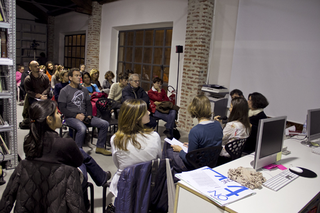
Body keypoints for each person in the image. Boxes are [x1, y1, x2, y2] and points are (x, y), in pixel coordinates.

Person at [9, 100, 110, 211]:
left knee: (80, 152)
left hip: (37, 183)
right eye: (57, 113)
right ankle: (98, 183)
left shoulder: (29, 142)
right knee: (82, 160)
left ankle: (100, 179)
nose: (60, 115)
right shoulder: (66, 143)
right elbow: (77, 163)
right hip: (62, 184)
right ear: (49, 119)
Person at [110, 99, 161, 197]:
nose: (149, 112)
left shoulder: (116, 139)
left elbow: (118, 164)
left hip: (124, 187)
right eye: (145, 111)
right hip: (148, 186)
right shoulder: (155, 136)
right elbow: (158, 160)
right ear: (137, 118)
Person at [58, 68, 111, 155]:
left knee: (104, 124)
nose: (79, 78)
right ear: (70, 78)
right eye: (76, 76)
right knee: (82, 128)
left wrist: (89, 115)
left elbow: (88, 104)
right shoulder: (64, 91)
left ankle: (100, 147)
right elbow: (62, 109)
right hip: (71, 117)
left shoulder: (84, 90)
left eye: (80, 76)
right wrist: (76, 115)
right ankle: (78, 151)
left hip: (85, 115)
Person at [171, 95, 223, 168]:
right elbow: (208, 145)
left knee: (169, 152)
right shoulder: (218, 125)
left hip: (196, 167)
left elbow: (190, 160)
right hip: (211, 164)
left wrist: (180, 150)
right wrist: (192, 145)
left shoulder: (195, 131)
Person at [214, 97, 251, 163]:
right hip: (235, 155)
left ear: (236, 110)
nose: (229, 109)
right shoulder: (247, 125)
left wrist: (217, 124)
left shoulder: (232, 125)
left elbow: (219, 139)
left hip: (224, 156)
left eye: (231, 107)